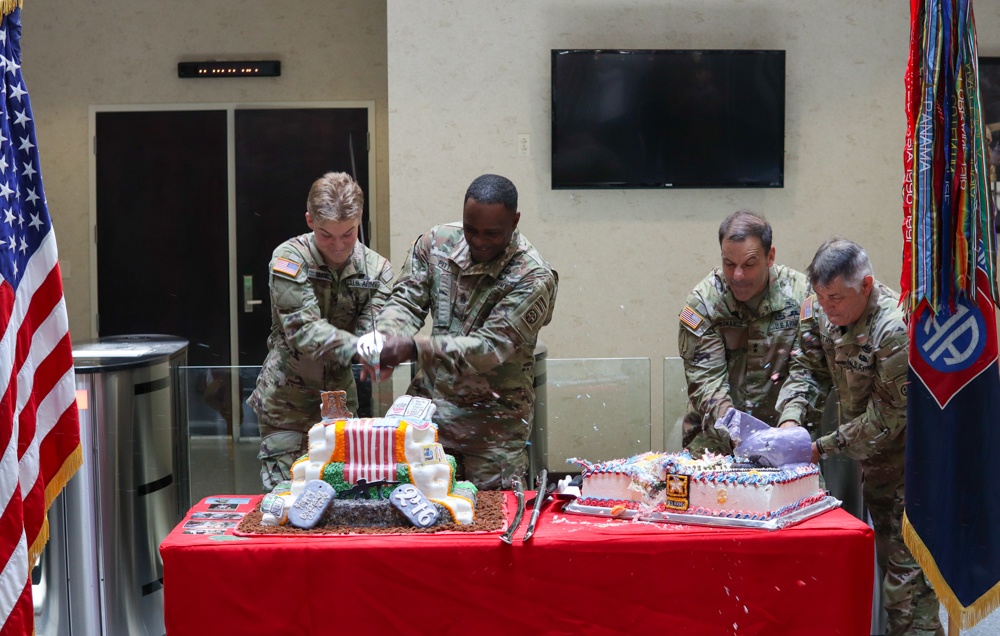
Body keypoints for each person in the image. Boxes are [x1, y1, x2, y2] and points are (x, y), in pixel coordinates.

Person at [776, 238, 942, 636]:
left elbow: (885, 418)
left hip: (913, 467)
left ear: (865, 286)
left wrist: (819, 448)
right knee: (891, 573)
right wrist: (791, 421)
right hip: (875, 468)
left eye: (836, 298)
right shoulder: (819, 307)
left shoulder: (893, 329)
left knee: (908, 591)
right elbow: (807, 369)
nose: (827, 308)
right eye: (820, 296)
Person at [360, 174, 558, 490]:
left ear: (514, 220)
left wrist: (412, 348)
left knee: (492, 525)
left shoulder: (532, 276)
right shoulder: (437, 243)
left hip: (492, 434)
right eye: (471, 230)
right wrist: (385, 337)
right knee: (414, 518)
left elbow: (488, 349)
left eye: (492, 233)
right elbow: (406, 301)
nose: (479, 241)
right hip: (426, 420)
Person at [248, 172, 394, 491]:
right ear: (310, 220)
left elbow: (379, 328)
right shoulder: (289, 259)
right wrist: (362, 349)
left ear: (359, 221)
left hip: (340, 402)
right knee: (286, 499)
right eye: (327, 235)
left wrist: (386, 343)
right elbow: (303, 330)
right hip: (286, 401)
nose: (339, 246)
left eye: (349, 234)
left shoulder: (377, 270)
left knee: (342, 493)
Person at [678, 209, 814, 456]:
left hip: (783, 435)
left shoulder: (801, 296)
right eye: (729, 264)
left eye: (749, 265)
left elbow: (806, 369)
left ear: (770, 256)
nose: (737, 276)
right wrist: (738, 435)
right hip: (716, 441)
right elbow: (706, 383)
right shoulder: (705, 303)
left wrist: (790, 422)